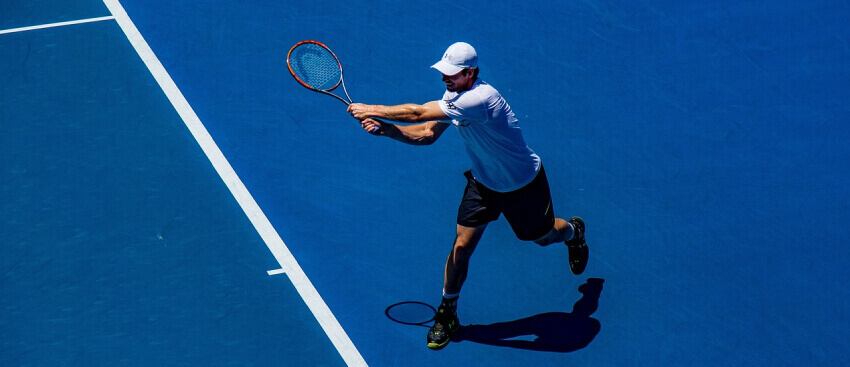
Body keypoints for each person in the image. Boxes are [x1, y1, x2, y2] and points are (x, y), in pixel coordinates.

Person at [347, 42, 589, 350]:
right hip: (483, 184)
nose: (445, 78)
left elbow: (418, 112)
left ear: (470, 73)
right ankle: (447, 312)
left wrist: (371, 109)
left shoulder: (481, 99)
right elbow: (426, 134)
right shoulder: (454, 96)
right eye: (443, 73)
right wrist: (388, 130)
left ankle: (574, 232)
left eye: (451, 74)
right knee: (461, 247)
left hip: (523, 185)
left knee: (541, 237)